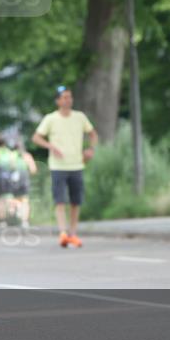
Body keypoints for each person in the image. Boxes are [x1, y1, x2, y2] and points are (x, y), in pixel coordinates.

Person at [32, 85, 98, 248]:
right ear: (58, 101)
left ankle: (73, 234)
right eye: (64, 97)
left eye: (70, 97)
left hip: (77, 165)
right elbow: (36, 137)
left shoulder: (80, 117)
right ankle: (63, 233)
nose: (68, 100)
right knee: (60, 201)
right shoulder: (51, 118)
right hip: (58, 166)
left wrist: (90, 149)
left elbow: (93, 134)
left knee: (76, 201)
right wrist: (51, 146)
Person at [8, 139, 38, 227]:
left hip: (13, 179)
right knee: (25, 199)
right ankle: (24, 221)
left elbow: (9, 167)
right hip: (24, 178)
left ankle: (16, 209)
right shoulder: (27, 156)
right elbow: (33, 169)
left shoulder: (11, 155)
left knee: (14, 198)